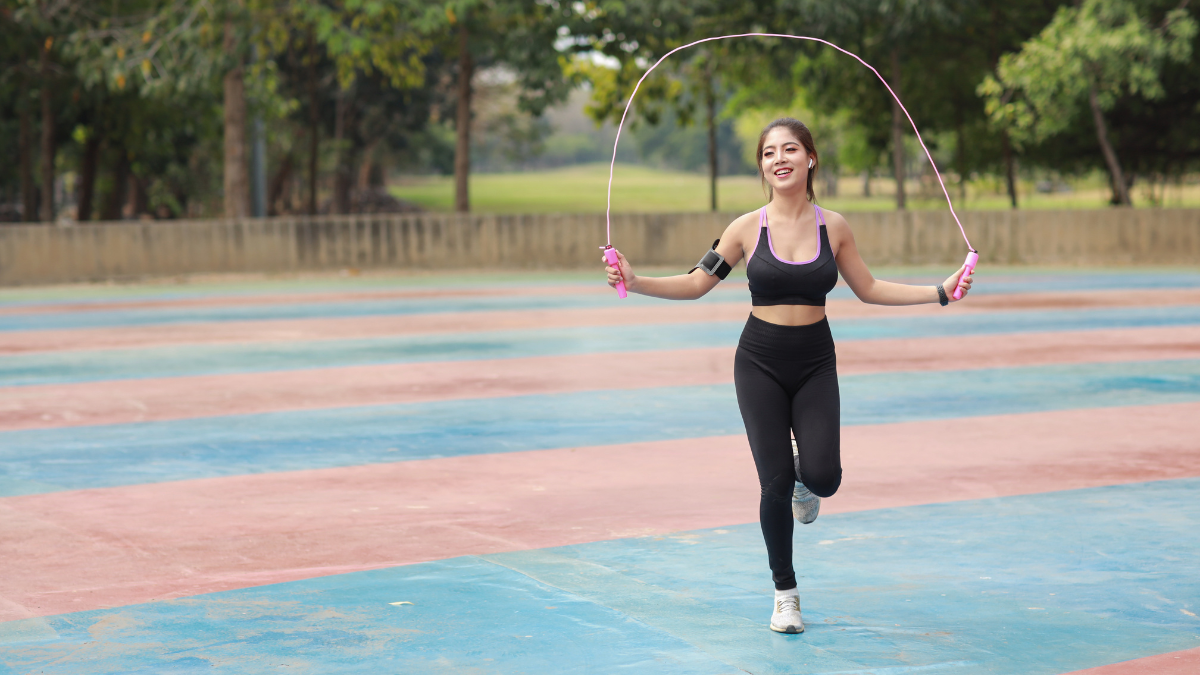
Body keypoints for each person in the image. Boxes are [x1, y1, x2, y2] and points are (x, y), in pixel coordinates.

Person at [602, 117, 973, 634]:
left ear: (810, 158)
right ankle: (785, 593)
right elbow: (695, 284)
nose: (780, 159)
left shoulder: (834, 226)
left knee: (824, 477)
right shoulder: (745, 228)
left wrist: (939, 292)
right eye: (769, 152)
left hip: (816, 360)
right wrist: (636, 280)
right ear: (762, 166)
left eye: (790, 149)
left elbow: (867, 288)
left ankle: (807, 481)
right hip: (758, 361)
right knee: (772, 481)